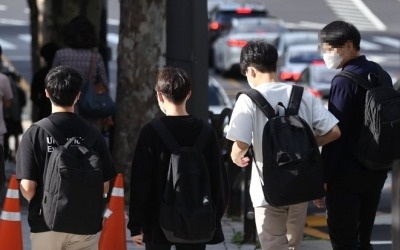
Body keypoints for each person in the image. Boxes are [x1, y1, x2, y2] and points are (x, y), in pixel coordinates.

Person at [225, 40, 341, 250]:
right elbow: (334, 132)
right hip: (300, 187)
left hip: (266, 192)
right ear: (275, 66)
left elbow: (240, 144)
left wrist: (235, 157)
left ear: (250, 71)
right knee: (292, 246)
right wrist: (310, 143)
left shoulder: (248, 100)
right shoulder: (303, 95)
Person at [16, 65, 116, 250]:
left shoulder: (35, 133)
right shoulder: (93, 134)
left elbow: (28, 188)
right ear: (78, 95)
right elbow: (104, 184)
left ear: (47, 93)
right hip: (85, 224)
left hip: (46, 224)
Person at [127, 67, 229, 250]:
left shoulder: (150, 132)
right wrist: (213, 216)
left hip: (157, 221)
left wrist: (136, 224)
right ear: (189, 94)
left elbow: (140, 182)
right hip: (197, 219)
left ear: (159, 96)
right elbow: (219, 181)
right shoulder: (206, 133)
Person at [318, 20, 393, 250]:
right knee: (363, 239)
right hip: (376, 167)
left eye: (329, 48)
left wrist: (324, 176)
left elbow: (335, 133)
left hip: (346, 174)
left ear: (348, 45)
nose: (326, 54)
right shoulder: (380, 73)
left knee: (344, 240)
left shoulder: (343, 81)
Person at [52, 15, 113, 131]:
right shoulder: (95, 57)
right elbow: (104, 84)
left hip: (65, 106)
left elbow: (51, 81)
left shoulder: (60, 55)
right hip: (89, 109)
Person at [31, 42, 59, 121]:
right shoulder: (64, 74)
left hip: (44, 112)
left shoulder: (39, 74)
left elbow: (33, 96)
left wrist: (41, 104)